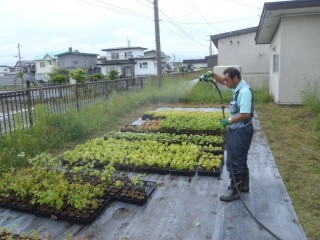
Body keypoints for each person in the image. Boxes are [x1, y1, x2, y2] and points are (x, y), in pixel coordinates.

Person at [202, 67, 254, 202]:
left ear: (235, 78)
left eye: (227, 80)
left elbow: (245, 114)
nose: (225, 82)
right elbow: (223, 82)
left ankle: (235, 191)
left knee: (234, 160)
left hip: (241, 131)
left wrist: (229, 120)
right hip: (239, 129)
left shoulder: (244, 91)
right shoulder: (237, 86)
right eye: (225, 79)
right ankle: (244, 186)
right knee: (241, 158)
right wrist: (213, 74)